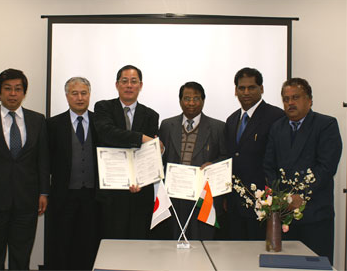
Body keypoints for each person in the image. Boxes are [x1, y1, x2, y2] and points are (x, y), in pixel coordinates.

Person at [0, 68, 49, 270]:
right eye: (7, 89)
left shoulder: (37, 120)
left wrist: (44, 192)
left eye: (18, 89)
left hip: (27, 201)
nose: (13, 93)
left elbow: (42, 160)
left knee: (21, 257)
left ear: (24, 93)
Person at [264, 77, 342, 264]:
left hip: (315, 215)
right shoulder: (277, 127)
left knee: (315, 266)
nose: (290, 103)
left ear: (309, 100)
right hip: (284, 216)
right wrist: (281, 197)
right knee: (284, 266)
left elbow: (326, 167)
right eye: (285, 99)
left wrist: (301, 196)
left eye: (295, 97)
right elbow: (268, 165)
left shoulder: (326, 125)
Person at [94, 65, 159, 239]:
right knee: (111, 246)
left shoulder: (151, 115)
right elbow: (108, 134)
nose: (129, 85)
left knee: (138, 247)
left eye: (133, 81)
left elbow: (149, 152)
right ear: (117, 85)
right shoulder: (103, 108)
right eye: (124, 81)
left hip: (140, 192)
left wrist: (158, 148)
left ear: (141, 85)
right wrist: (141, 138)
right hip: (111, 194)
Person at [159, 81, 227, 240]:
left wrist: (213, 165)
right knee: (174, 240)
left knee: (202, 241)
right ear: (180, 100)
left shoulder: (218, 127)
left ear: (203, 100)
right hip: (174, 196)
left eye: (196, 98)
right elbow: (160, 157)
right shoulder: (167, 125)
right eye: (186, 98)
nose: (191, 103)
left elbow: (225, 157)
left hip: (203, 197)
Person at [45, 77, 99, 270]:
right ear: (67, 96)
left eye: (84, 93)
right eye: (74, 93)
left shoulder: (99, 123)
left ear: (90, 95)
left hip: (92, 197)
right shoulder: (52, 125)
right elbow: (45, 162)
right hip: (63, 196)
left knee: (88, 245)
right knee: (62, 245)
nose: (79, 98)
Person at [225, 67, 284, 240]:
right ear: (235, 91)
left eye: (251, 87)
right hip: (235, 205)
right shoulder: (231, 120)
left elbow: (279, 160)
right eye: (241, 88)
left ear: (262, 89)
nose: (246, 92)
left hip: (264, 205)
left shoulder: (276, 117)